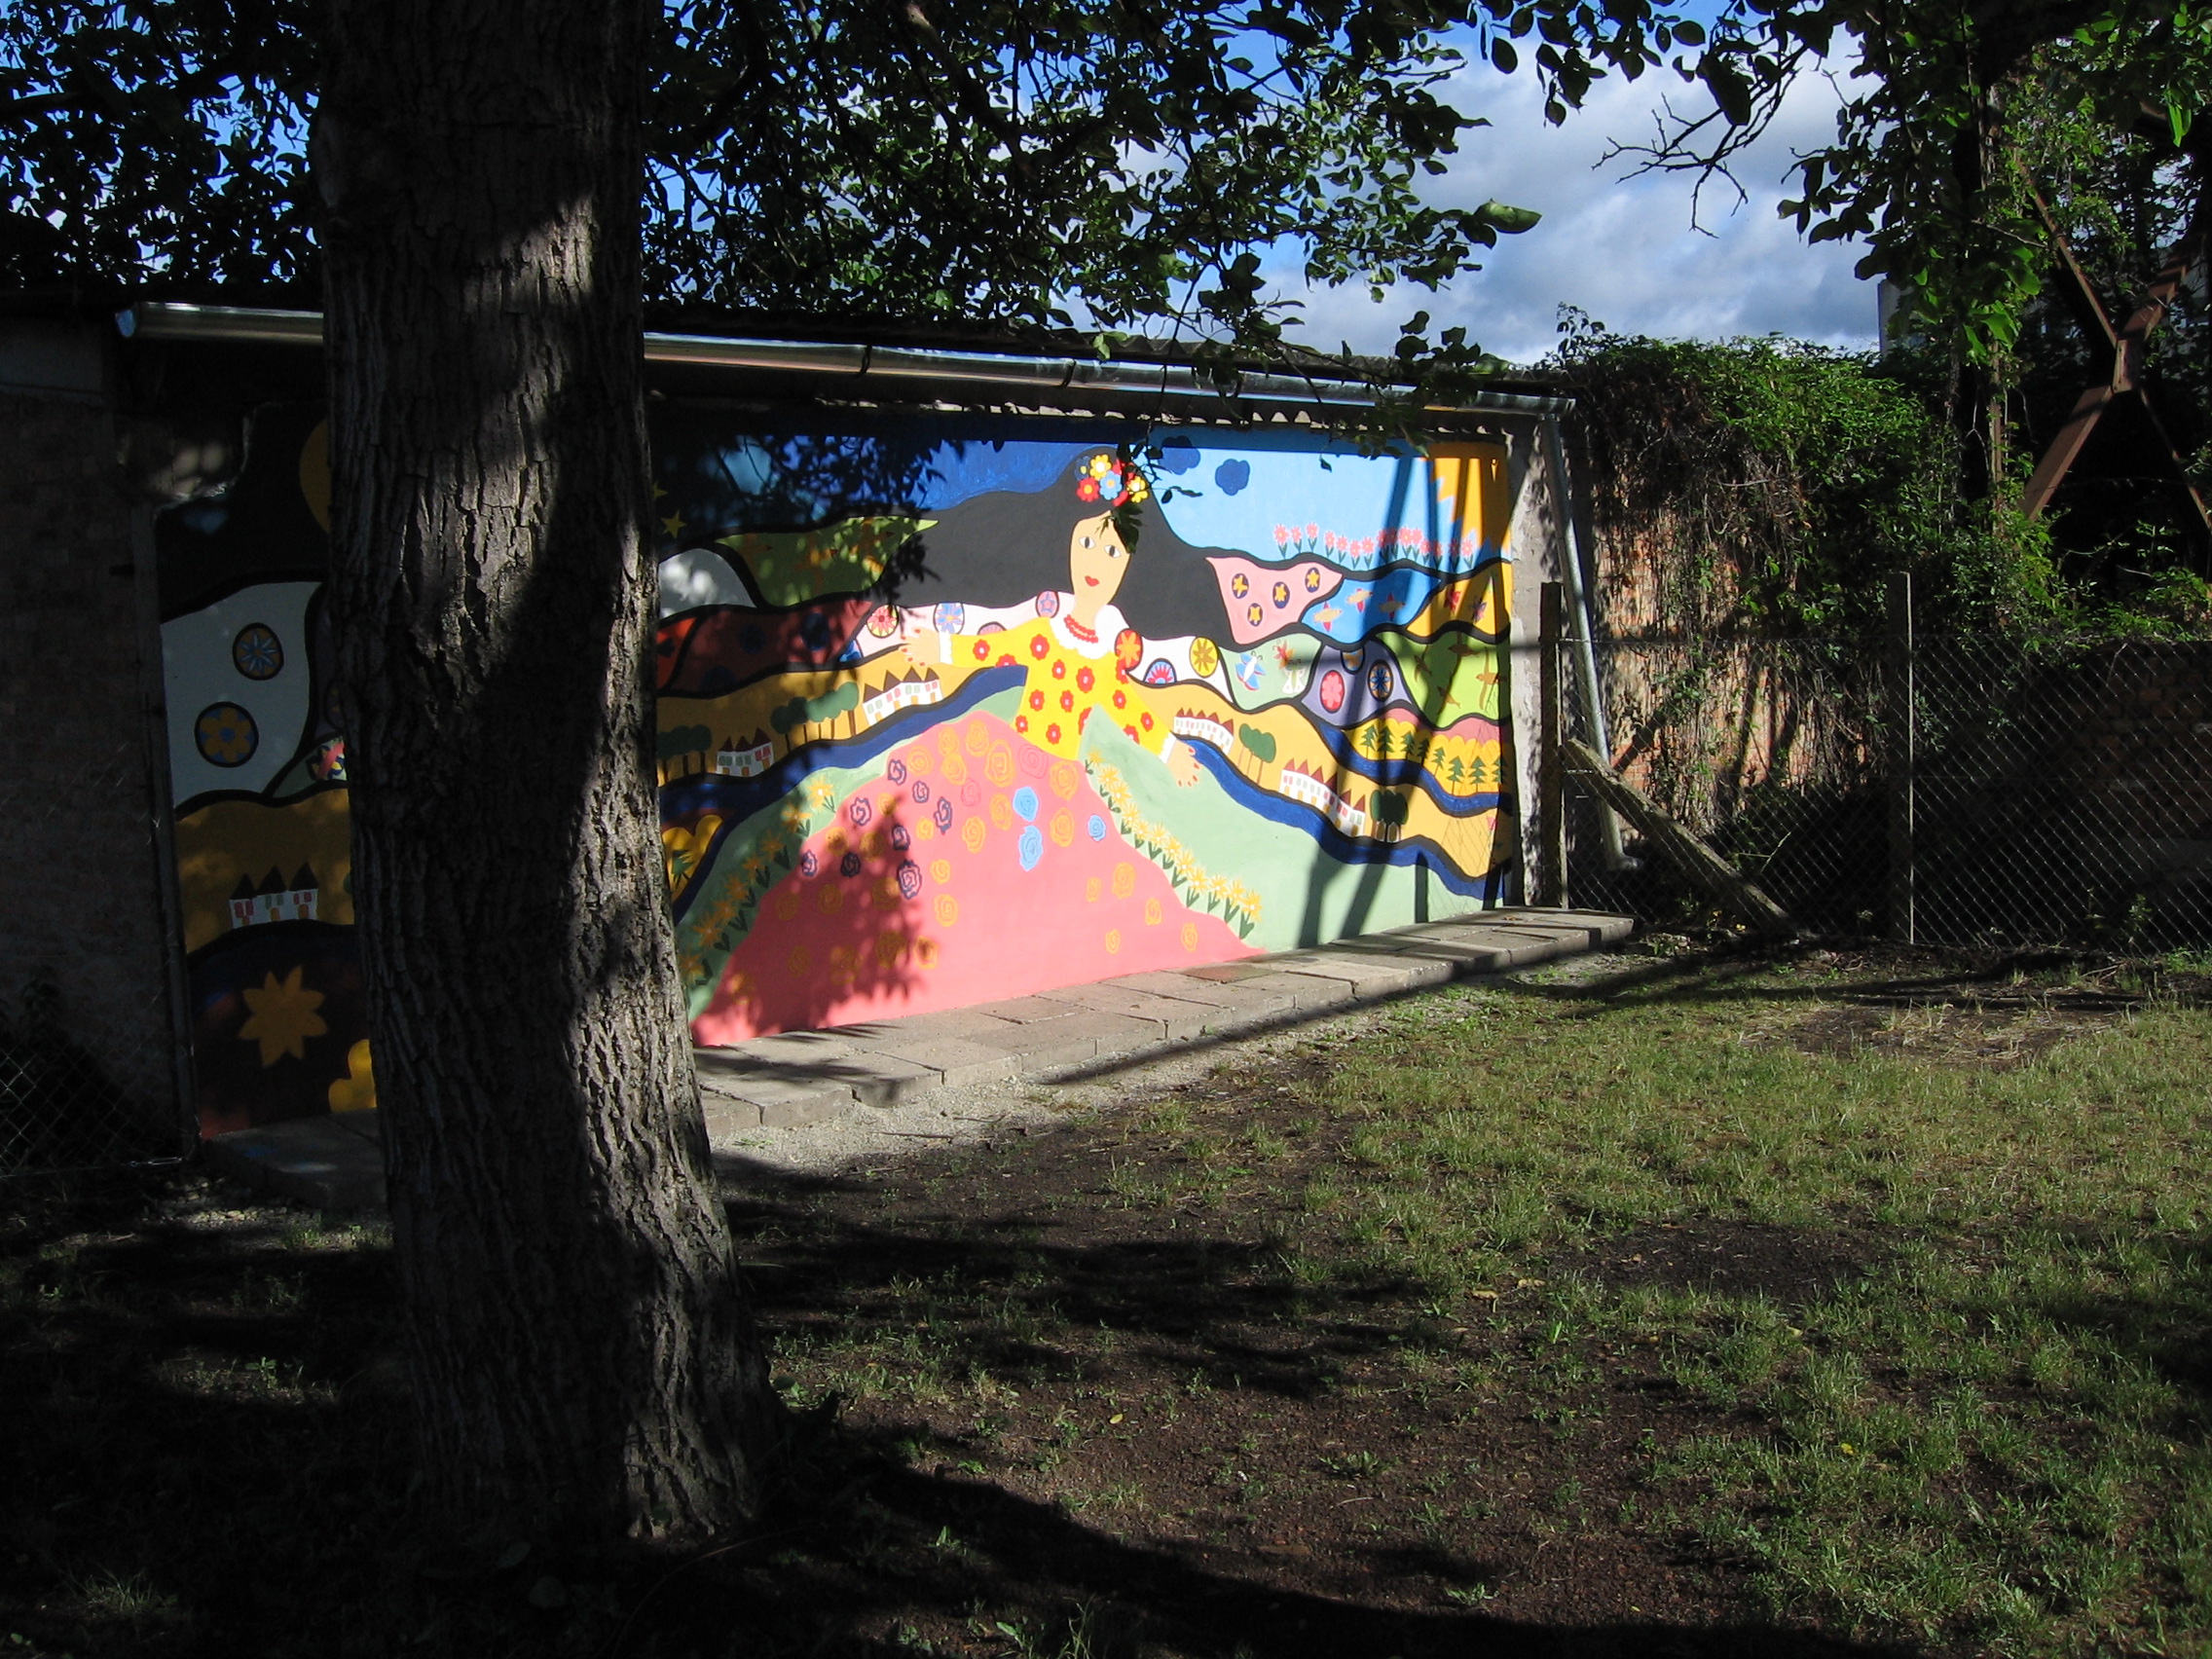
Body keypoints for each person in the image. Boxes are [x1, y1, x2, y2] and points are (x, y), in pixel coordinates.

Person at [905, 452, 1201, 784]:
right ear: (1069, 544)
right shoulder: (1043, 635)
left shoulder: (1104, 664)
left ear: (1128, 566)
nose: (1095, 562)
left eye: (1112, 552)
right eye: (1086, 542)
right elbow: (990, 649)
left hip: (1058, 780)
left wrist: (1170, 751)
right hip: (1015, 761)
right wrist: (940, 648)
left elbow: (1131, 712)